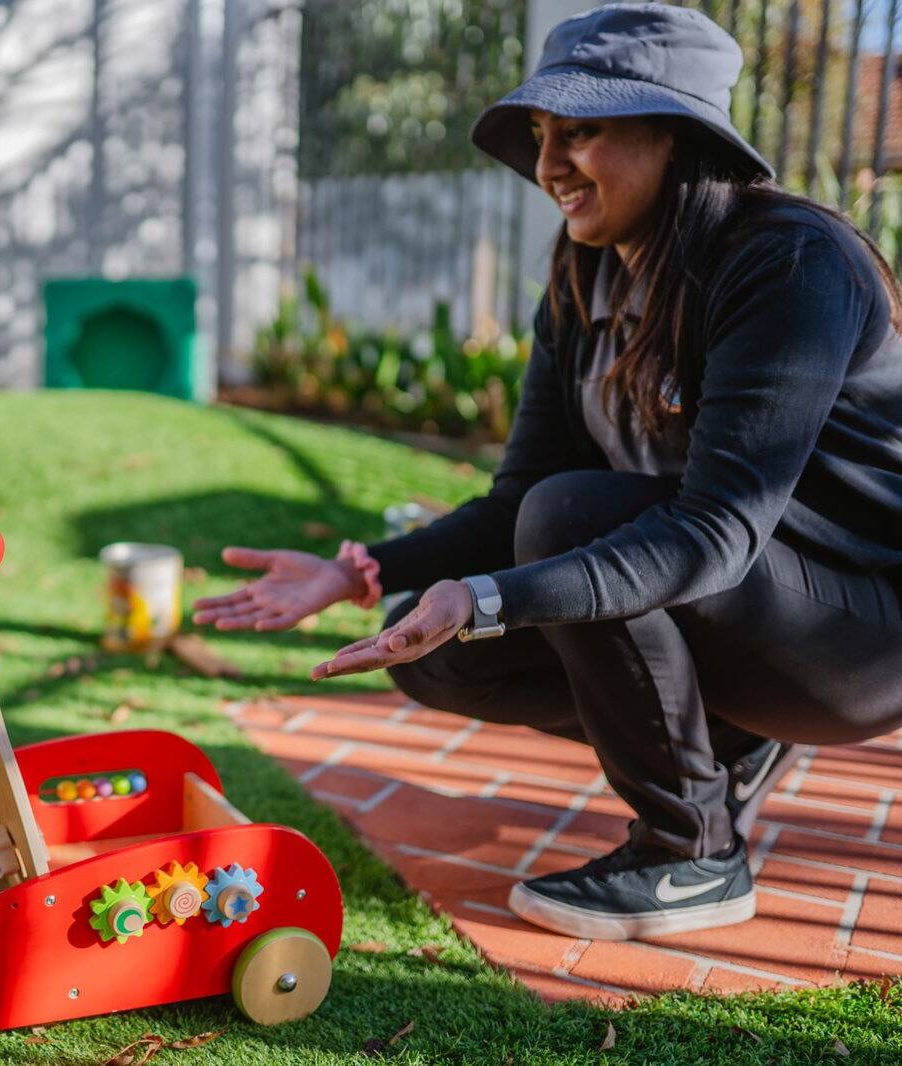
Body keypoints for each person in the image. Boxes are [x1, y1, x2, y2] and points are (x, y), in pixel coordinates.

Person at [195, 4, 902, 942]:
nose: (549, 166)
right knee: (434, 648)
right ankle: (725, 748)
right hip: (746, 604)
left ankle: (691, 854)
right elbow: (511, 504)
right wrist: (357, 570)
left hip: (859, 639)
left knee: (567, 521)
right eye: (541, 135)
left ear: (677, 135)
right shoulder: (586, 273)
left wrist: (490, 596)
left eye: (580, 133)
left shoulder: (791, 264)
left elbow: (715, 532)